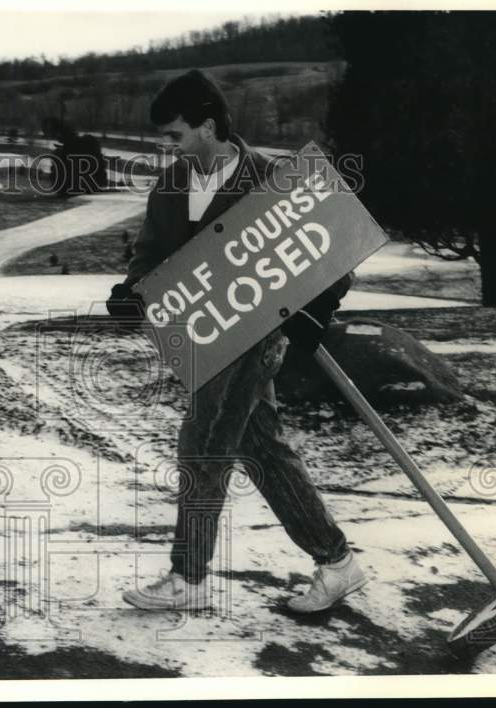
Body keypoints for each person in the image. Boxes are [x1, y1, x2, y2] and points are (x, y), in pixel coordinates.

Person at [107, 69, 366, 614]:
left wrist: (319, 309)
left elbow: (333, 249)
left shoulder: (269, 178)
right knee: (264, 451)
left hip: (255, 339)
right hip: (203, 338)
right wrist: (133, 291)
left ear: (207, 125)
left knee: (201, 445)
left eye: (174, 134)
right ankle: (338, 562)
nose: (166, 145)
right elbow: (150, 253)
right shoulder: (172, 182)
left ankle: (188, 577)